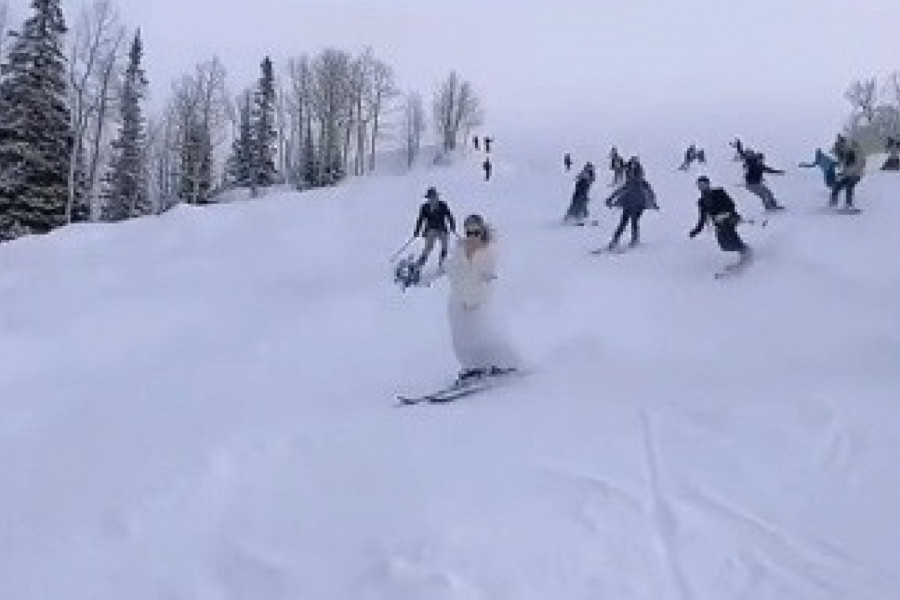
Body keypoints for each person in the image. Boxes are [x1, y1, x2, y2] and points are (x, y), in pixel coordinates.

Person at [443, 214, 517, 382]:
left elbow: (489, 272)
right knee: (460, 340)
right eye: (469, 233)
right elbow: (449, 268)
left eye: (476, 233)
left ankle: (490, 364)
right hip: (459, 302)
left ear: (482, 231)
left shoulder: (489, 250)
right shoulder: (459, 249)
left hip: (479, 302)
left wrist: (486, 276)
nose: (473, 237)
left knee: (480, 335)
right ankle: (470, 368)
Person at [689, 176, 752, 271]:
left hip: (729, 218)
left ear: (708, 184)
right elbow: (702, 218)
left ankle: (746, 253)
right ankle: (744, 251)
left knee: (729, 234)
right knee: (724, 245)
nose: (701, 186)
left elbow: (731, 204)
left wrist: (725, 214)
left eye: (703, 184)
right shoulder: (701, 202)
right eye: (699, 185)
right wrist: (696, 231)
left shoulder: (719, 192)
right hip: (718, 223)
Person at [604, 162, 657, 250]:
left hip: (637, 206)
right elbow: (620, 191)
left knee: (631, 222)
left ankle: (632, 240)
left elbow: (650, 194)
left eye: (638, 174)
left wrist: (653, 203)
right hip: (629, 205)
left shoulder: (642, 184)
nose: (637, 176)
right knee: (625, 223)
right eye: (635, 174)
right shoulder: (632, 183)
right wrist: (610, 199)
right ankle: (616, 241)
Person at [412, 187, 456, 268]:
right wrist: (416, 231)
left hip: (442, 228)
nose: (432, 199)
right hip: (431, 229)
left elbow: (449, 216)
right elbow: (420, 219)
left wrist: (452, 226)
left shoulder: (443, 205)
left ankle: (442, 264)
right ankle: (419, 265)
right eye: (430, 198)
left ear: (437, 197)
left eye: (434, 197)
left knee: (445, 246)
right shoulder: (424, 207)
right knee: (428, 247)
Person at [735, 140, 785, 210]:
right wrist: (739, 146)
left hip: (757, 183)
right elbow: (743, 154)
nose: (761, 161)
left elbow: (769, 170)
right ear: (756, 159)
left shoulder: (761, 166)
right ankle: (769, 207)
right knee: (764, 194)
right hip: (751, 184)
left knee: (768, 193)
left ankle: (773, 205)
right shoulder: (751, 163)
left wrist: (778, 172)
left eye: (762, 159)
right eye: (759, 159)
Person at [830, 139, 866, 208]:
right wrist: (842, 173)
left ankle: (848, 205)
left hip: (856, 175)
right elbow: (846, 167)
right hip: (848, 175)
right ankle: (832, 203)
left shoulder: (856, 152)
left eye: (840, 149)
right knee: (836, 186)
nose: (839, 153)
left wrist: (850, 173)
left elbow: (860, 164)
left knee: (849, 186)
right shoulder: (845, 154)